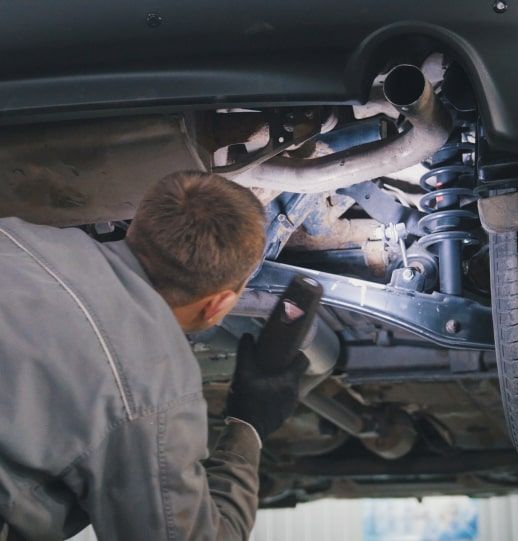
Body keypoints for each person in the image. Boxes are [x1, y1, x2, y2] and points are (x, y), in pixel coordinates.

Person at [0, 171, 308, 541]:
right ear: (219, 304)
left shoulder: (14, 236)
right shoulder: (151, 393)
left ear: (136, 229)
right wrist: (249, 424)